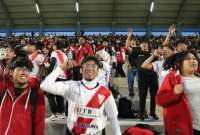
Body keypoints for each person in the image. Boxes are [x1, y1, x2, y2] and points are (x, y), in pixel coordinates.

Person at [41, 56, 121, 135]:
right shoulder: (71, 86)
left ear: (98, 71)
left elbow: (113, 117)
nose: (90, 69)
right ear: (81, 70)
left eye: (94, 66)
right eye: (87, 65)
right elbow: (44, 85)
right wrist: (61, 68)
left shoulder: (106, 92)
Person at [156, 51, 200, 135]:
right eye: (188, 59)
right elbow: (160, 100)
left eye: (194, 58)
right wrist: (174, 92)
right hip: (186, 127)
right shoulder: (173, 78)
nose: (193, 61)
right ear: (179, 63)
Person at [0, 56, 45, 135]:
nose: (24, 72)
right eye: (20, 69)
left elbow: (39, 126)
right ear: (11, 72)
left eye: (27, 70)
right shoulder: (4, 92)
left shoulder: (37, 95)